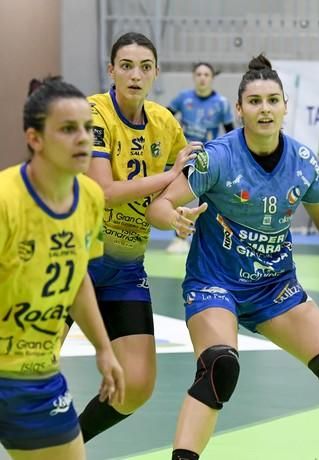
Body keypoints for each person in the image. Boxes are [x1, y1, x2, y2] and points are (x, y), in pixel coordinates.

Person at [147, 54, 319, 460]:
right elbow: (160, 204)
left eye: (273, 100)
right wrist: (175, 219)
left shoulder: (302, 160)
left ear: (286, 106)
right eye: (255, 102)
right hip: (216, 284)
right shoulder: (218, 157)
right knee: (220, 369)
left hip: (275, 287)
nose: (265, 109)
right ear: (239, 109)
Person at [67, 32, 199, 443]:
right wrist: (169, 174)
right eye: (126, 66)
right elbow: (105, 191)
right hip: (72, 264)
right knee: (24, 371)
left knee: (136, 385)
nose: (135, 75)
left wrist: (176, 216)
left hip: (125, 269)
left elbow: (165, 201)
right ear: (111, 70)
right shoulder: (94, 112)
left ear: (156, 73)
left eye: (145, 67)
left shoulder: (164, 123)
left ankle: (66, 443)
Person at [0, 77, 124, 459]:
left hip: (37, 375)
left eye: (88, 128)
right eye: (68, 129)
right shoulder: (6, 201)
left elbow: (78, 277)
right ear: (35, 139)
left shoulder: (89, 198)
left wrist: (104, 348)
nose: (83, 138)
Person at [165, 62, 235, 254]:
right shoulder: (183, 98)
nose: (202, 77)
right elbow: (163, 118)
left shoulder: (221, 103)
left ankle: (210, 242)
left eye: (206, 74)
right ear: (194, 77)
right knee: (177, 197)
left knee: (208, 201)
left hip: (209, 158)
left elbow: (231, 132)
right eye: (199, 74)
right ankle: (179, 238)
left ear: (212, 78)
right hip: (184, 155)